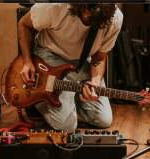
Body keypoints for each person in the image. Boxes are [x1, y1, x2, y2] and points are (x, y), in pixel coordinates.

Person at [18, 3, 123, 132]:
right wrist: (27, 62)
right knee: (67, 127)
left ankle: (67, 99)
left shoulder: (115, 18)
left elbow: (99, 57)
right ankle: (38, 96)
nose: (86, 16)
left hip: (82, 60)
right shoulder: (55, 6)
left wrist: (95, 82)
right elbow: (24, 24)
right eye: (85, 9)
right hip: (49, 56)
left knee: (103, 119)